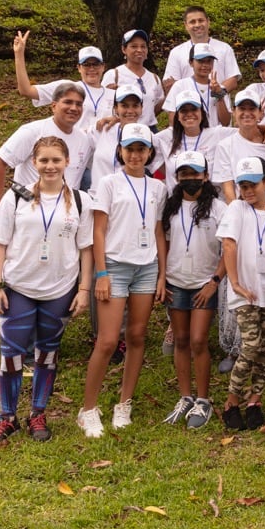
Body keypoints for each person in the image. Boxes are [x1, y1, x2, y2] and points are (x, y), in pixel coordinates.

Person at [0, 137, 94, 446]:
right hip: (18, 287)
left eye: (56, 160)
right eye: (43, 160)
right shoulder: (15, 197)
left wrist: (83, 289)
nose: (50, 166)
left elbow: (86, 249)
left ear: (67, 162)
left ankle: (37, 414)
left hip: (59, 289)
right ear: (34, 163)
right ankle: (7, 417)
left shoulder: (81, 201)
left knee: (47, 354)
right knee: (11, 355)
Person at [77, 123, 168, 438]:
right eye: (130, 148)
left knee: (138, 336)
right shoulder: (109, 183)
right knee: (107, 340)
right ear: (120, 151)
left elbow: (157, 232)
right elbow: (98, 230)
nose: (135, 154)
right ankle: (88, 409)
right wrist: (101, 273)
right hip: (115, 266)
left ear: (149, 153)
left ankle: (124, 403)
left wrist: (162, 274)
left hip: (146, 267)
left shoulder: (158, 188)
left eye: (141, 149)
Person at [159, 152, 227, 430]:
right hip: (176, 282)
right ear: (177, 178)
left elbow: (228, 248)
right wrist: (161, 277)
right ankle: (185, 396)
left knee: (199, 341)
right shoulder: (170, 208)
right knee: (182, 340)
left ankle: (203, 398)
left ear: (206, 176)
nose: (190, 179)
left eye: (195, 174)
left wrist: (215, 281)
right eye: (184, 174)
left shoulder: (219, 209)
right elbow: (162, 241)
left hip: (203, 284)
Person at [216, 157, 265, 431]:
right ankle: (231, 402)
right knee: (251, 347)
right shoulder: (237, 209)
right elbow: (229, 245)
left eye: (253, 185)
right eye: (242, 186)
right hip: (245, 292)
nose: (248, 191)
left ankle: (254, 401)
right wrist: (235, 282)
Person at [0, 82, 95, 221]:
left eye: (78, 104)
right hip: (28, 207)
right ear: (53, 106)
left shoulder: (84, 139)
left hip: (65, 212)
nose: (74, 108)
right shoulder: (33, 131)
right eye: (68, 102)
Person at [12, 33, 113, 132]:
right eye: (86, 64)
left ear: (103, 67)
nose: (92, 69)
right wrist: (19, 54)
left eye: (96, 64)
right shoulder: (68, 87)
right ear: (79, 68)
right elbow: (26, 91)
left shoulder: (115, 95)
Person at [212, 90, 265, 204]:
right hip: (243, 212)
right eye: (242, 108)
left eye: (252, 109)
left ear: (260, 113)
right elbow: (229, 191)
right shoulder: (225, 146)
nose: (247, 113)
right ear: (234, 112)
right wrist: (237, 214)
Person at [154, 90, 230, 193]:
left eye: (194, 109)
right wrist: (169, 171)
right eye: (184, 111)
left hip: (210, 202)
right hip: (177, 204)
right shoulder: (165, 137)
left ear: (202, 113)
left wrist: (260, 128)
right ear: (178, 116)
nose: (189, 114)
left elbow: (247, 133)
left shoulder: (217, 134)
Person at [162, 5, 241, 95]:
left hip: (218, 104)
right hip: (189, 105)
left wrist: (217, 93)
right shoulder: (176, 53)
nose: (197, 25)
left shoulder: (224, 48)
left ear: (208, 22)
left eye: (201, 20)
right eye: (192, 22)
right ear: (186, 25)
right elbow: (171, 83)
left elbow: (233, 80)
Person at [85, 85, 145, 192]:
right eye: (124, 106)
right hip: (97, 198)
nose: (130, 111)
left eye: (135, 106)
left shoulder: (148, 137)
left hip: (129, 201)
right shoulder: (102, 129)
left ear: (141, 108)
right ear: (116, 108)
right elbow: (75, 138)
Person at [102, 29, 165, 128]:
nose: (139, 50)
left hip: (149, 130)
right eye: (134, 46)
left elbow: (153, 110)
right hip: (122, 129)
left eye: (143, 46)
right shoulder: (113, 75)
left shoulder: (154, 78)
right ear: (124, 49)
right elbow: (104, 106)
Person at [162, 43, 231, 130]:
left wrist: (219, 96)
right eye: (201, 61)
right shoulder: (180, 86)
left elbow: (226, 122)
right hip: (190, 138)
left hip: (214, 138)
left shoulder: (220, 88)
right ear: (191, 63)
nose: (205, 65)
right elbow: (173, 119)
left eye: (209, 61)